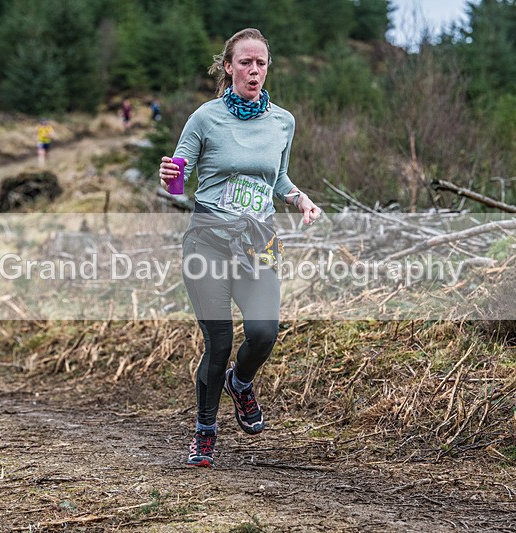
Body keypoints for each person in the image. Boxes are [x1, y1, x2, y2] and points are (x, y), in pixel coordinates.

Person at [159, 28, 321, 468]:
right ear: (228, 66)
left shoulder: (283, 121)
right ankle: (205, 434)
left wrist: (298, 198)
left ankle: (242, 384)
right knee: (219, 340)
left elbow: (278, 178)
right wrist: (170, 176)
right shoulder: (205, 118)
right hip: (208, 240)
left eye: (261, 63)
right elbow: (179, 178)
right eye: (245, 62)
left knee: (266, 331)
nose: (254, 70)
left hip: (260, 241)